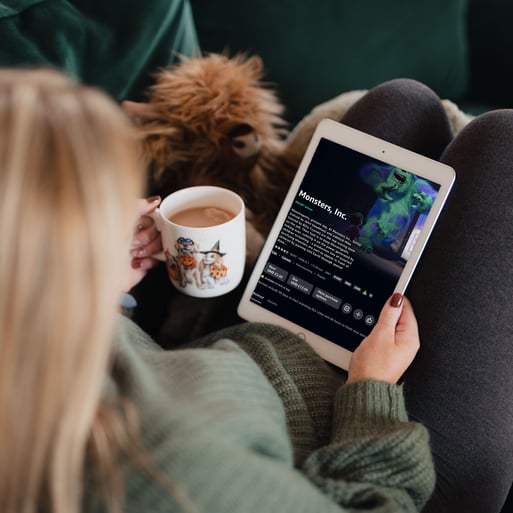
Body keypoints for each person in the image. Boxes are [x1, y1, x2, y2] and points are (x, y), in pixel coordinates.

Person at [0, 68, 509, 513]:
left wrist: (98, 291)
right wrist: (370, 392)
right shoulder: (165, 476)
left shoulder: (23, 338)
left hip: (256, 358)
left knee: (402, 103)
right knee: (502, 145)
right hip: (369, 453)